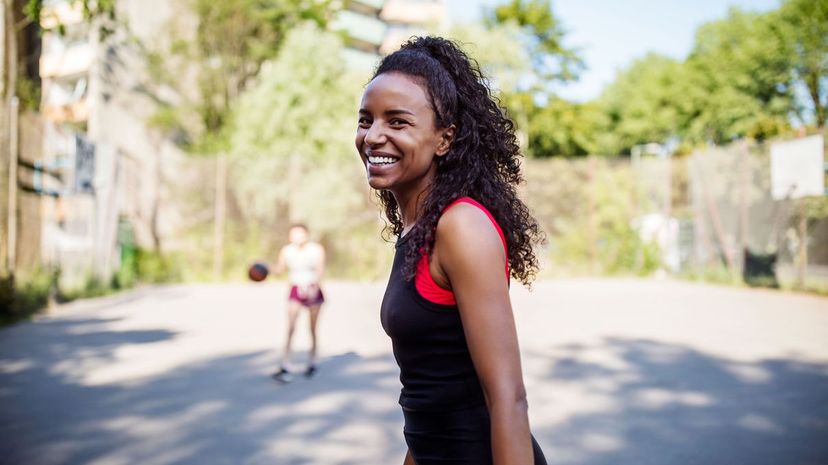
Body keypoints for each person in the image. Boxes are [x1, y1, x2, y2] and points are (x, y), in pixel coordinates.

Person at [355, 37, 547, 464]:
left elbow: (508, 399)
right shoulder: (417, 227)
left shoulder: (460, 225)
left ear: (445, 139)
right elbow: (433, 391)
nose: (374, 136)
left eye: (398, 122)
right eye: (366, 120)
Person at [271, 224, 326, 383]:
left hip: (312, 289)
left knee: (312, 328)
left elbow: (320, 270)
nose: (297, 237)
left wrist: (315, 286)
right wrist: (265, 269)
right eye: (294, 234)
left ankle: (313, 362)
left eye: (300, 234)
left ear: (306, 234)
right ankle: (286, 365)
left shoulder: (316, 249)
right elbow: (279, 270)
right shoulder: (287, 251)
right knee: (290, 328)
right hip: (295, 289)